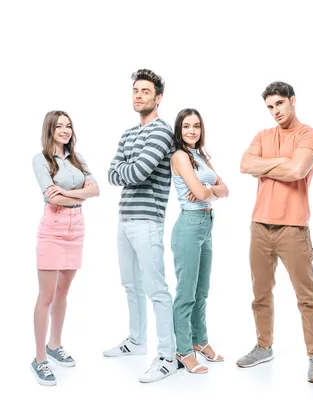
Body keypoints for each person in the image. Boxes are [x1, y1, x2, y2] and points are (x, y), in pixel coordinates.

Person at [237, 81, 313, 383]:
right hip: (259, 224)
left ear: (292, 101)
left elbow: (297, 171)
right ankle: (264, 346)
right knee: (260, 293)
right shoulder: (263, 135)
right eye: (270, 107)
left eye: (279, 104)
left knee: (307, 296)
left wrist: (266, 166)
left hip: (293, 226)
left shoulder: (308, 135)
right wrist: (281, 163)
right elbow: (245, 164)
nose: (275, 111)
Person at [104, 69, 178, 383]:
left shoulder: (162, 132)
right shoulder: (127, 134)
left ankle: (167, 356)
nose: (139, 95)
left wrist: (127, 169)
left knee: (155, 288)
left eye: (145, 91)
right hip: (124, 217)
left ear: (158, 97)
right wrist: (127, 169)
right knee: (130, 284)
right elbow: (112, 173)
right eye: (136, 90)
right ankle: (137, 341)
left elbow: (135, 173)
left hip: (148, 220)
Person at [31, 110, 100, 386]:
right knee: (45, 296)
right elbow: (51, 195)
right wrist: (79, 193)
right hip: (53, 229)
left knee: (63, 292)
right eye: (59, 126)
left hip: (76, 229)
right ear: (50, 130)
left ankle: (54, 345)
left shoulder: (78, 159)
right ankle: (39, 359)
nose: (65, 130)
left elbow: (95, 190)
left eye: (68, 125)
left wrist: (68, 194)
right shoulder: (40, 160)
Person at [169, 108, 229, 374]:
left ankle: (199, 340)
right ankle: (183, 350)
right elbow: (199, 191)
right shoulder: (180, 156)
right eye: (186, 126)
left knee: (202, 290)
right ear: (179, 130)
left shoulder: (201, 155)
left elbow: (223, 189)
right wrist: (209, 191)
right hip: (189, 227)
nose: (192, 131)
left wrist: (210, 192)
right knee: (186, 293)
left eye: (196, 126)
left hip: (207, 223)